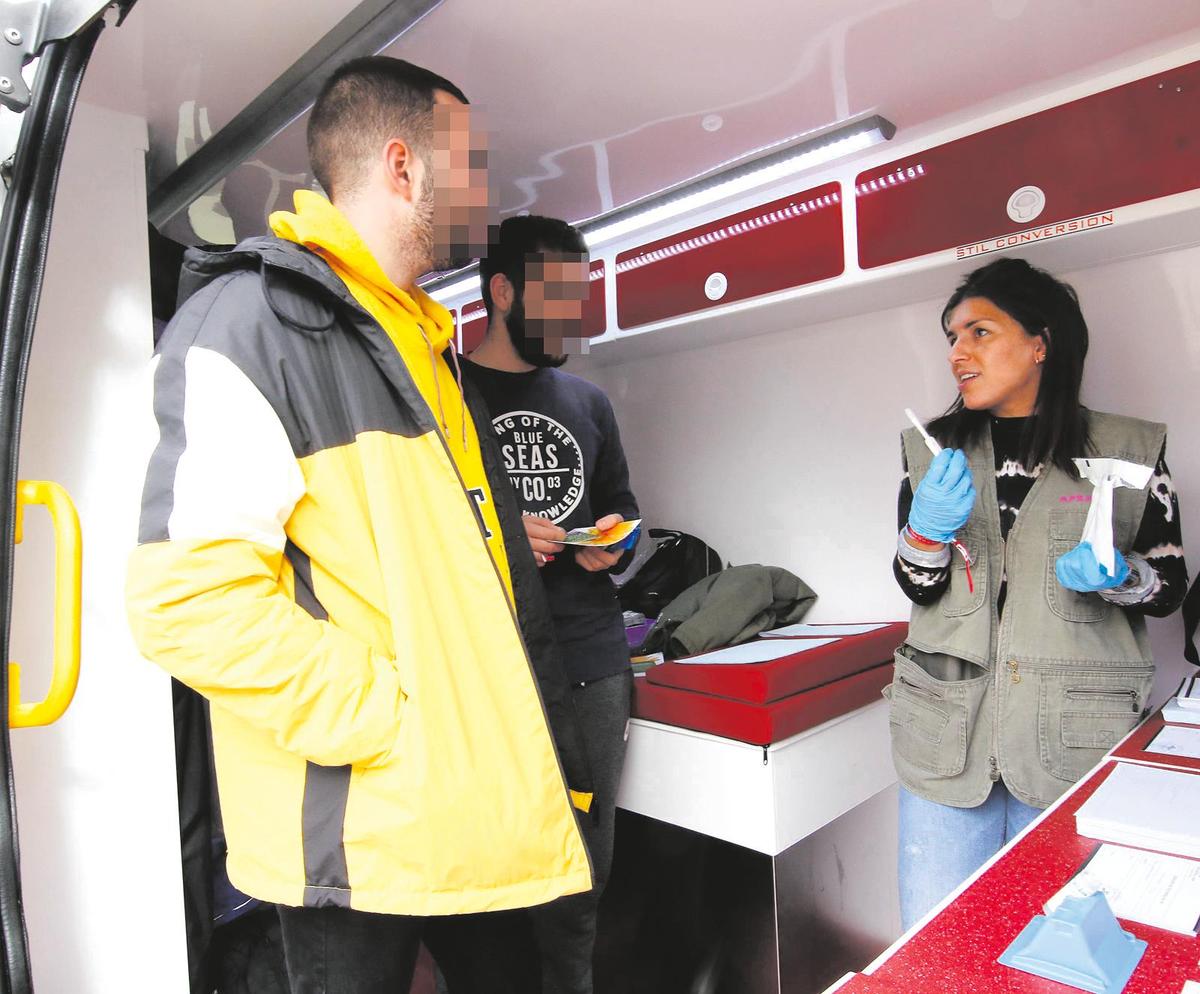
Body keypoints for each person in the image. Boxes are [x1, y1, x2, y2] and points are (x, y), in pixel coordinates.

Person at [126, 57, 596, 994]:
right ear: (404, 166)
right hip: (358, 829)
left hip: (469, 808)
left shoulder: (424, 343)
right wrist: (387, 720)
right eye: (471, 160)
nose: (486, 187)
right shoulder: (248, 326)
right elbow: (185, 602)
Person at [890, 256, 1187, 930]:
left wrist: (1124, 578)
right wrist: (925, 538)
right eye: (952, 338)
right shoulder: (928, 451)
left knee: (1056, 957)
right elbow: (916, 583)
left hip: (1071, 743)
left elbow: (1170, 590)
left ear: (1040, 344)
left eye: (979, 332)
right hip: (945, 743)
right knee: (937, 952)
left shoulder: (1130, 449)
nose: (957, 352)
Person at [461, 215, 639, 994]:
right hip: (485, 669)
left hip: (591, 662)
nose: (576, 314)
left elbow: (624, 510)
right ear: (503, 292)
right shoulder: (443, 393)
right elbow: (416, 532)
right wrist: (497, 536)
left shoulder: (590, 402)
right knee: (487, 874)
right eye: (560, 295)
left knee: (581, 876)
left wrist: (615, 543)